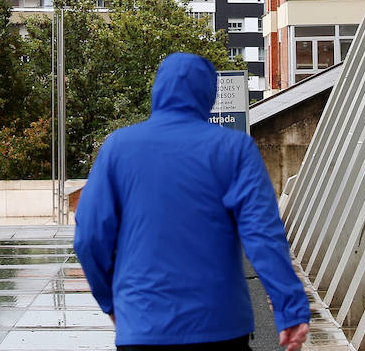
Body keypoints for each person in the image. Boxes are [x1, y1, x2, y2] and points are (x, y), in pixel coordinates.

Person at [73, 52, 311, 351]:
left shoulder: (117, 148)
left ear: (157, 89)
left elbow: (89, 236)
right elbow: (263, 234)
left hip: (143, 325)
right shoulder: (233, 148)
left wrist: (110, 302)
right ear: (207, 94)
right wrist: (290, 309)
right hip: (220, 325)